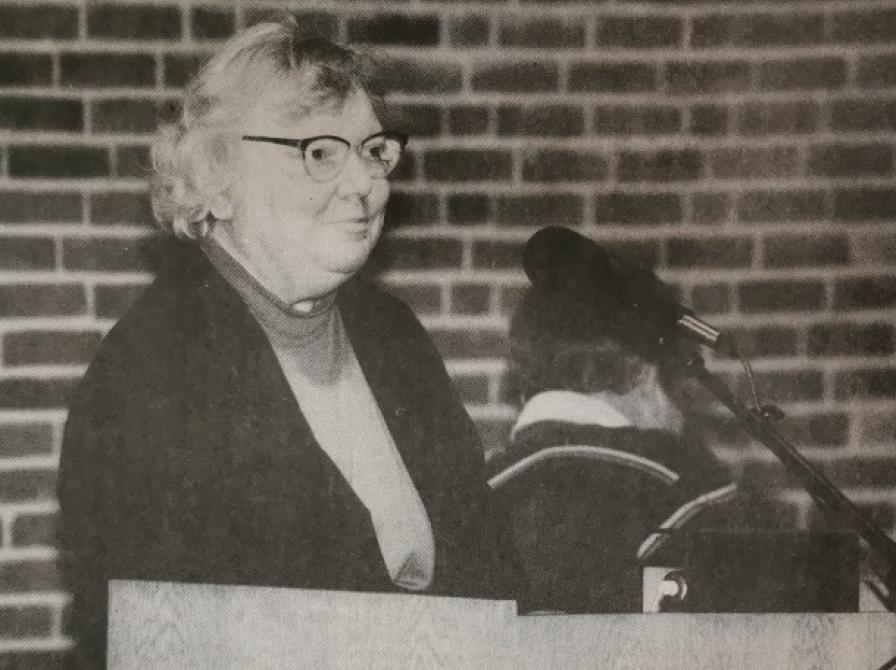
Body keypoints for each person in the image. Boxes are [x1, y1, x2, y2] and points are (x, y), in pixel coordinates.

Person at [57, 19, 522, 669]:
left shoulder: (394, 338)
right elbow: (163, 639)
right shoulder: (151, 374)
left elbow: (490, 574)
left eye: (374, 150)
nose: (364, 183)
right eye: (321, 152)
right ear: (220, 170)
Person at [491, 278, 743, 612]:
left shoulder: (474, 490)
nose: (683, 419)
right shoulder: (696, 488)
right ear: (646, 373)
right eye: (682, 394)